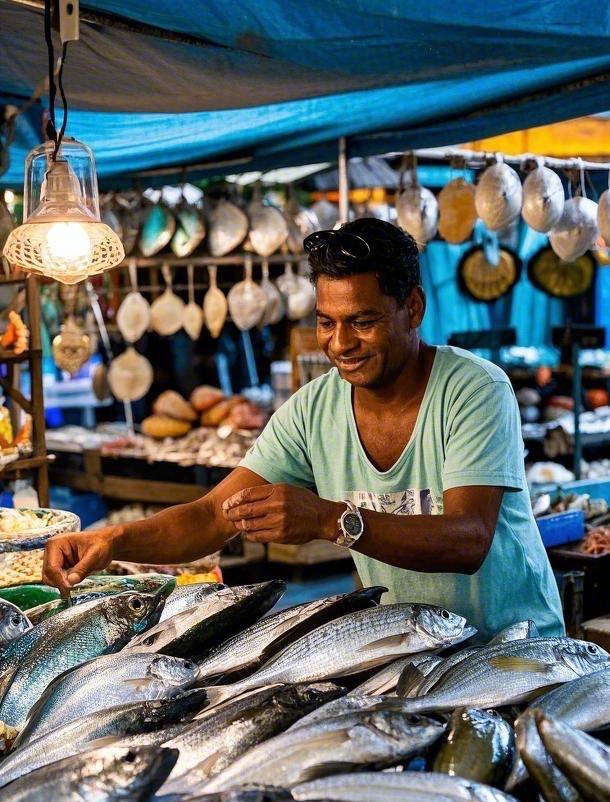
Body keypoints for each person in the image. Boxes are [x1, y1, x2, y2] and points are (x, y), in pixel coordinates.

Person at [43, 218, 564, 642]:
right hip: (417, 651)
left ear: (413, 309)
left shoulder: (474, 388)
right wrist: (111, 540)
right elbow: (210, 517)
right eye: (326, 322)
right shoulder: (314, 409)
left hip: (513, 648)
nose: (340, 344)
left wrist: (327, 519)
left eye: (362, 321)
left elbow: (467, 541)